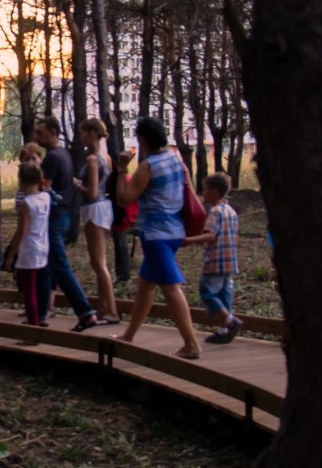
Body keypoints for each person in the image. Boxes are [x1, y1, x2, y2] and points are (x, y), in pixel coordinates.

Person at [114, 117, 202, 359]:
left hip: (156, 235)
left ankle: (192, 344)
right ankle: (129, 335)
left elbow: (124, 199)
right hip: (176, 230)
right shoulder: (176, 159)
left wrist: (122, 169)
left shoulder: (148, 166)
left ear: (142, 139)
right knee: (146, 286)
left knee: (171, 288)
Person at [33, 116, 101, 331]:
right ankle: (41, 314)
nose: (37, 137)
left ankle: (86, 312)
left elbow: (42, 188)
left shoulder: (53, 158)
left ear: (53, 132)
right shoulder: (65, 155)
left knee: (59, 266)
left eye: (41, 132)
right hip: (62, 216)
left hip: (54, 217)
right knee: (45, 266)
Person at [186, 172, 242, 344]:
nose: (203, 194)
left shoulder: (215, 212)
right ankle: (223, 330)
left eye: (205, 190)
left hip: (215, 261)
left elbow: (210, 236)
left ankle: (230, 322)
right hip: (230, 261)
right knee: (225, 296)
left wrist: (187, 240)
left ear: (215, 192)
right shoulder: (231, 211)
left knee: (208, 293)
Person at [74, 118, 119, 325]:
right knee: (99, 261)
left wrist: (76, 184)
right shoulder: (106, 157)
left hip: (94, 208)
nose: (81, 137)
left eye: (84, 132)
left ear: (92, 133)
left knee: (98, 262)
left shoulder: (92, 160)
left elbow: (92, 192)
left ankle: (111, 310)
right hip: (104, 208)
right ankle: (103, 307)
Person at [4, 163, 51, 328]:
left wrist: (11, 255)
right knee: (39, 287)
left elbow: (21, 232)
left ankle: (32, 326)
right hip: (43, 248)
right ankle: (39, 316)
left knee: (29, 291)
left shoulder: (27, 203)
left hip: (29, 251)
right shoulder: (46, 198)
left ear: (22, 182)